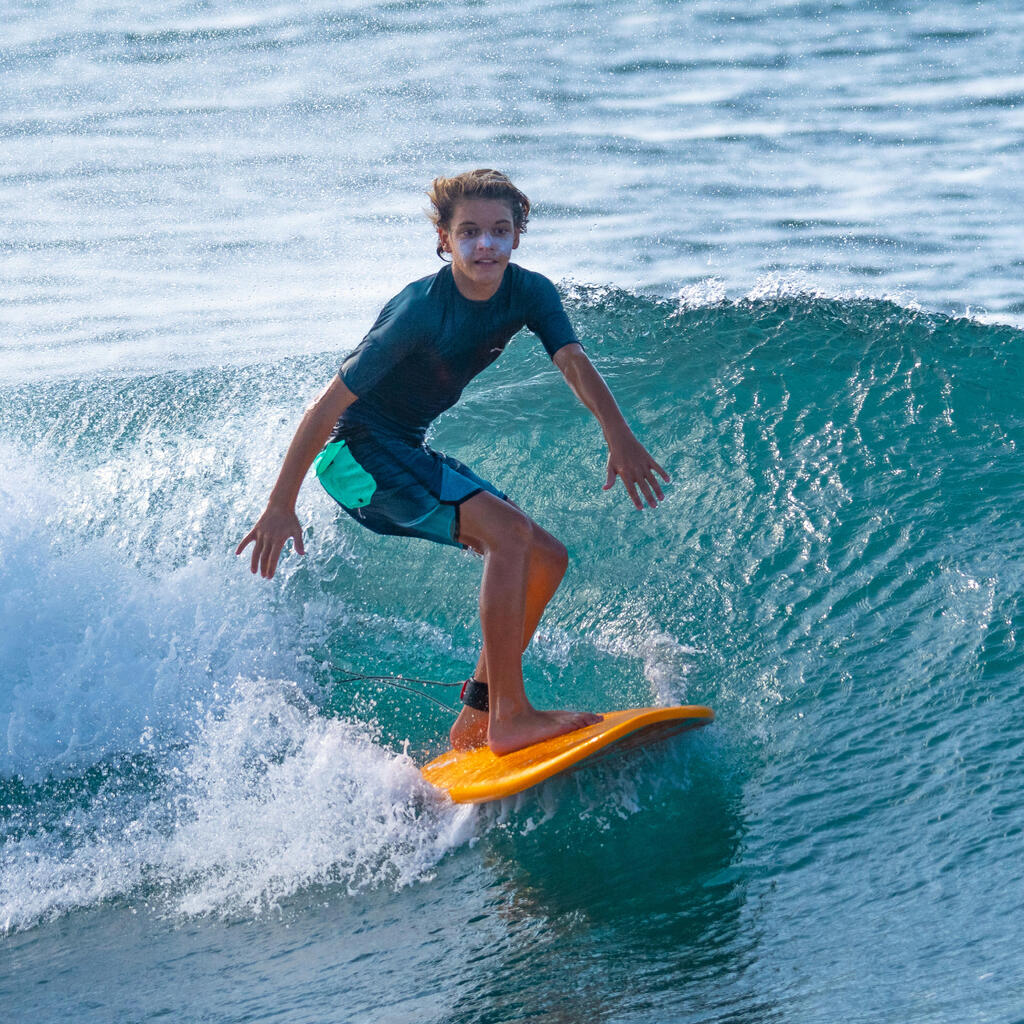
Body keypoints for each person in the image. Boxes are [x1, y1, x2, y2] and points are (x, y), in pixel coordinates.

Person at [237, 169, 669, 756]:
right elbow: (327, 408)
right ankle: (511, 719)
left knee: (545, 557)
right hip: (354, 455)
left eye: (498, 230)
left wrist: (618, 434)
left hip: (403, 448)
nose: (484, 244)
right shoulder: (419, 310)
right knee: (510, 538)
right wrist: (280, 504)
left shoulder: (531, 292)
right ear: (444, 239)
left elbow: (570, 358)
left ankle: (477, 719)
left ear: (518, 236)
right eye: (469, 232)